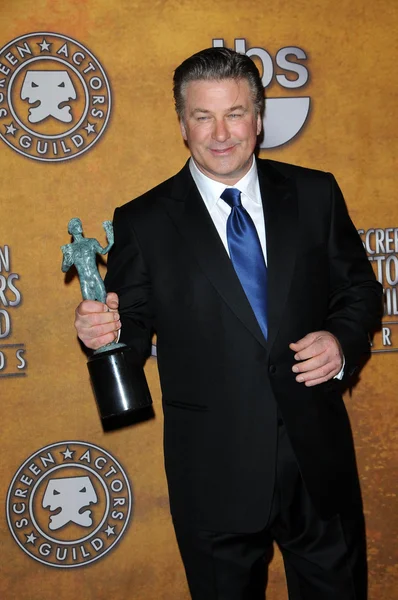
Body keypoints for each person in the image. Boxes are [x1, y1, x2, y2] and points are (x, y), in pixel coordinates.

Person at [74, 48, 382, 599]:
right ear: (182, 124)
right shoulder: (143, 220)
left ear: (259, 120)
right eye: (203, 116)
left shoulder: (315, 193)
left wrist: (341, 339)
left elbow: (358, 289)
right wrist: (107, 332)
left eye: (235, 113)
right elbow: (133, 322)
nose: (221, 133)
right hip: (213, 472)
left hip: (317, 462)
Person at [61, 217, 114, 302]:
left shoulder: (91, 242)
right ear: (71, 230)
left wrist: (111, 242)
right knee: (90, 308)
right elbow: (64, 269)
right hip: (84, 282)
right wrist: (67, 261)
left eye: (79, 224)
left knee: (104, 304)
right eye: (76, 225)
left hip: (95, 277)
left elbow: (103, 251)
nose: (79, 226)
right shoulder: (70, 249)